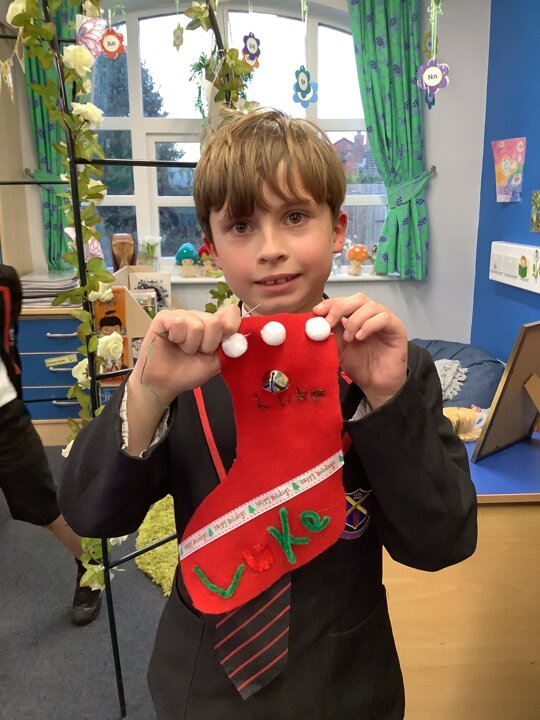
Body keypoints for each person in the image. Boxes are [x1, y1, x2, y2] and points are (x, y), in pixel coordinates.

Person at [59, 109, 477, 718]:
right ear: (211, 248)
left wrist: (388, 400)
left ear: (337, 229)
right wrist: (148, 393)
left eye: (296, 217)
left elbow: (442, 541)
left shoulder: (393, 368)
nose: (272, 249)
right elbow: (92, 514)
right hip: (203, 681)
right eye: (241, 226)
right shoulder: (186, 368)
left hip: (345, 683)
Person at [0, 263, 102, 626]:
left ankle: (90, 565)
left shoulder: (4, 282)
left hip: (4, 418)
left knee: (45, 505)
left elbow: (8, 343)